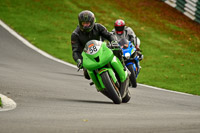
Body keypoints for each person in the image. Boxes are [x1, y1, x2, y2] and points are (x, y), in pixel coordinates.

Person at [71, 10, 122, 79]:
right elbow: (75, 51)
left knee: (116, 49)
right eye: (84, 23)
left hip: (102, 50)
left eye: (87, 23)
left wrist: (114, 41)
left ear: (92, 22)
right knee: (87, 75)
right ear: (80, 23)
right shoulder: (75, 34)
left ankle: (123, 67)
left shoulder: (98, 27)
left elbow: (109, 35)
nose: (85, 25)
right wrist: (79, 60)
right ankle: (101, 86)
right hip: (88, 56)